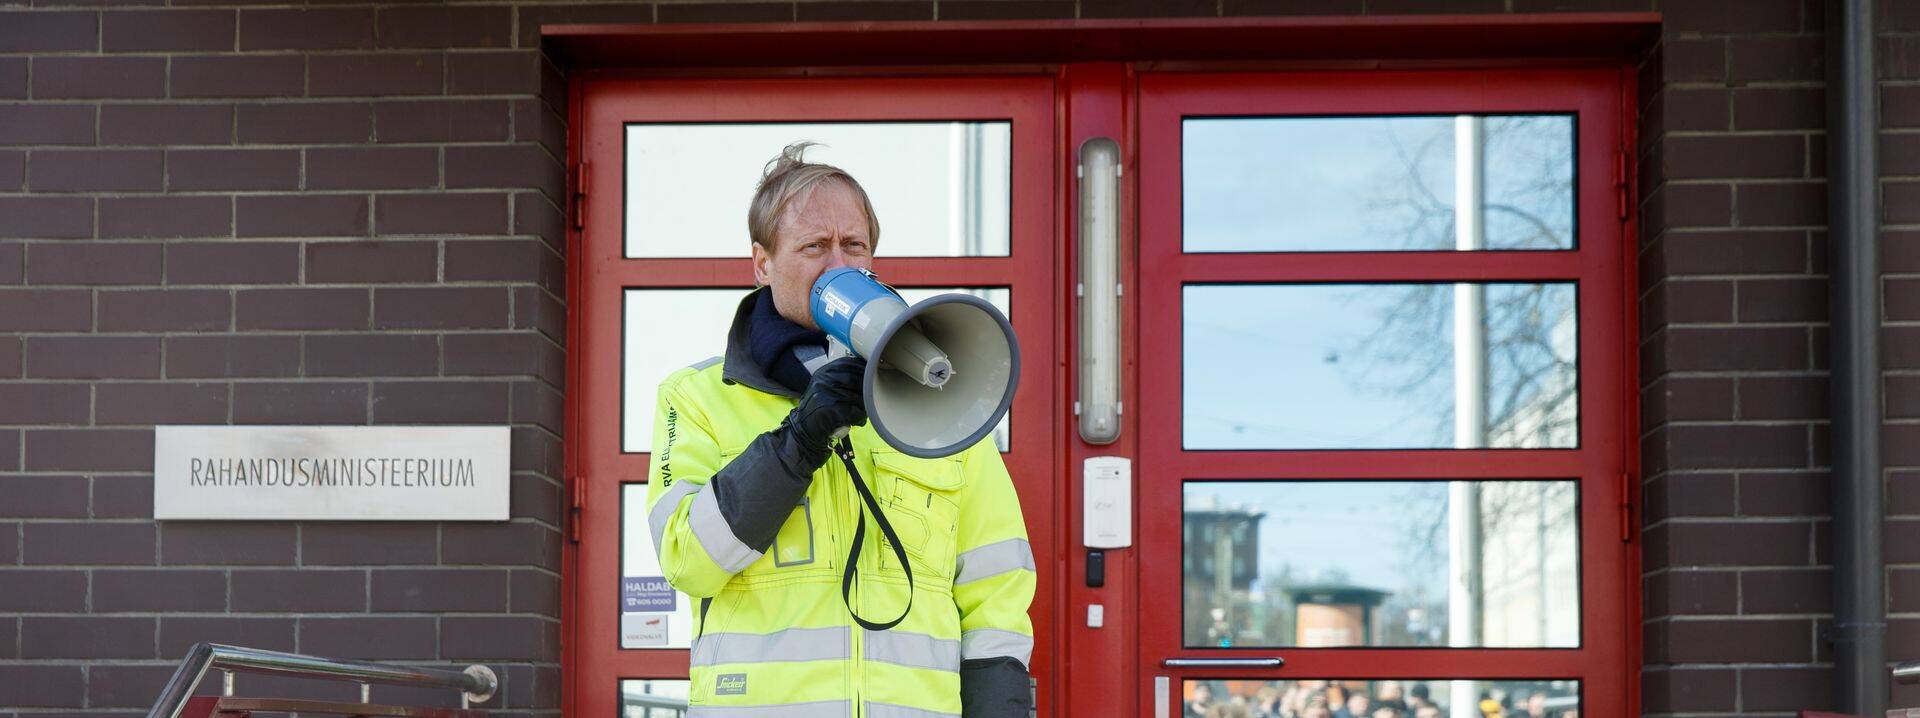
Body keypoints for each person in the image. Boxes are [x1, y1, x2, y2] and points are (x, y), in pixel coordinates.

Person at [646, 142, 1036, 717]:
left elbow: (995, 586)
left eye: (854, 245)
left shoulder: (942, 398)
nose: (839, 265)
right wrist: (798, 441)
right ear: (762, 263)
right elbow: (689, 560)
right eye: (814, 247)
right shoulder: (699, 397)